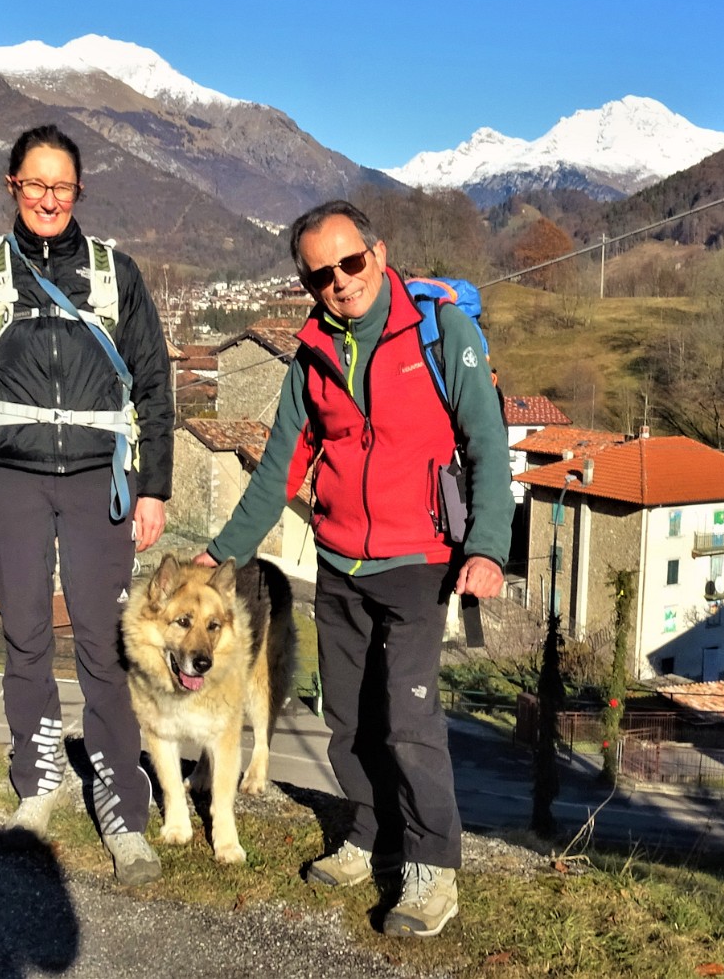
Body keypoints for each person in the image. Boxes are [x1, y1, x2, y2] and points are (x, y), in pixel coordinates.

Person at [196, 200, 512, 936]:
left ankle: (432, 870)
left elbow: (486, 445)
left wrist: (488, 547)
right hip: (340, 561)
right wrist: (222, 554)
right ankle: (368, 834)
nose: (339, 282)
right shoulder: (311, 357)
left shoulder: (439, 332)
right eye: (320, 274)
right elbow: (280, 468)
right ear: (307, 284)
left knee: (407, 720)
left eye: (351, 262)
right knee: (345, 719)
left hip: (418, 561)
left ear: (379, 251)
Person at [0, 124, 173, 886]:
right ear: (11, 186)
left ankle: (121, 806)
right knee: (26, 635)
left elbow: (155, 382)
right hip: (7, 477)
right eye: (34, 184)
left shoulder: (116, 275)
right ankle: (39, 783)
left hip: (101, 476)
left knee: (104, 643)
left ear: (79, 193)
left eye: (61, 186)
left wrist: (155, 485)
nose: (47, 199)